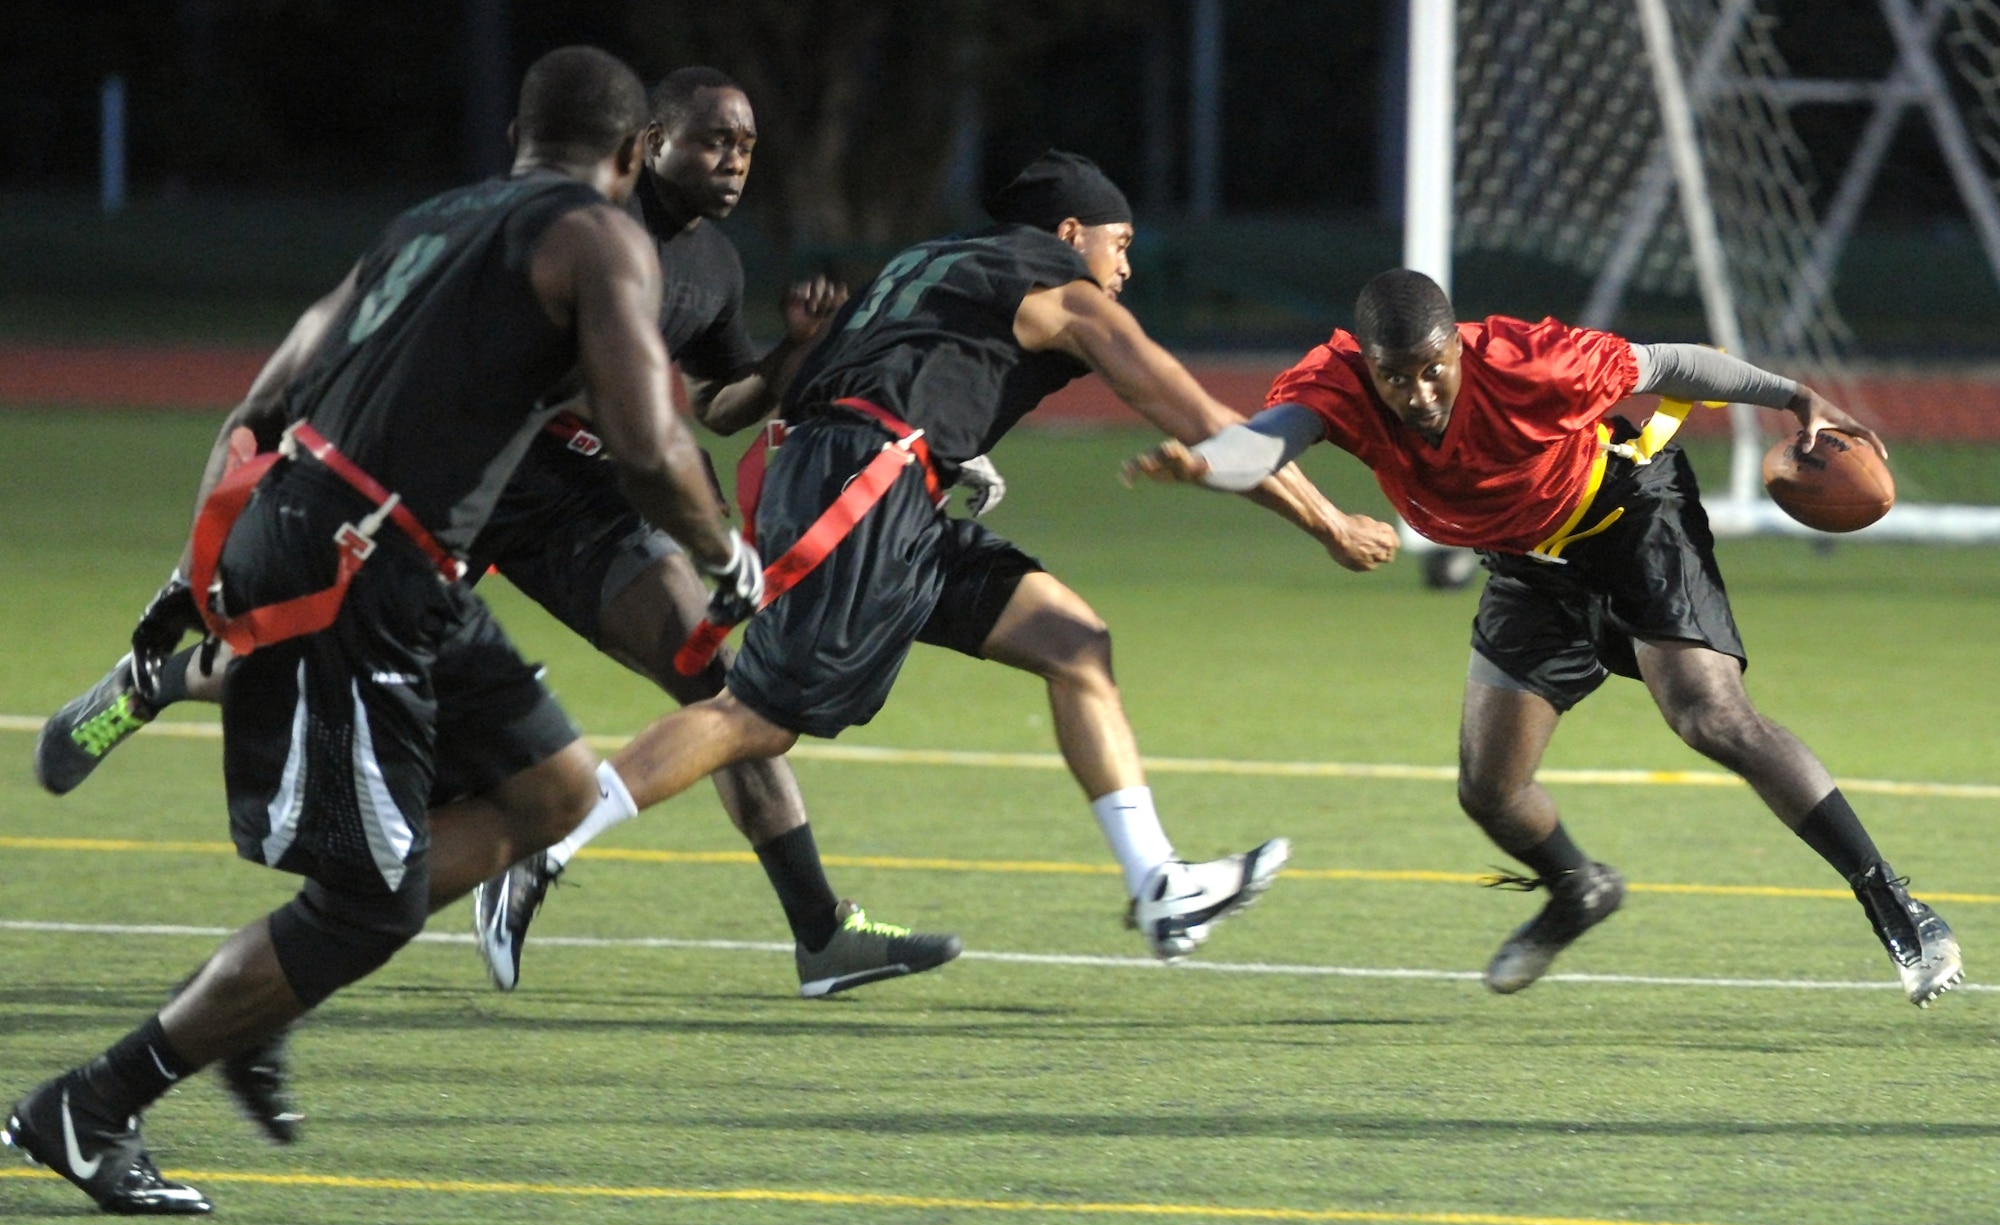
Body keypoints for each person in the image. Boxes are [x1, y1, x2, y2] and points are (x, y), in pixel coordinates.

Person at [3, 47, 758, 1215]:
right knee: (368, 905)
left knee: (554, 793)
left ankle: (255, 973)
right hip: (359, 572)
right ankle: (91, 1105)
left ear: (518, 134)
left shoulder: (431, 219)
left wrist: (192, 569)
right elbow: (652, 445)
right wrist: (723, 554)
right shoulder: (602, 237)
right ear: (626, 155)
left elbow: (264, 400)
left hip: (367, 555)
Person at [33, 67, 963, 1005]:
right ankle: (155, 683)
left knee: (720, 691)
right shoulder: (578, 225)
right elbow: (625, 420)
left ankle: (816, 931)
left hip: (583, 506)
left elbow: (714, 405)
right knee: (338, 668)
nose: (733, 161)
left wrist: (791, 358)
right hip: (465, 491)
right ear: (648, 143)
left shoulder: (713, 265)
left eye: (747, 146)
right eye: (713, 140)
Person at [488, 150, 1403, 974]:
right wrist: (1325, 522)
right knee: (756, 718)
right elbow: (1202, 421)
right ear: (1070, 233)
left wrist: (945, 448)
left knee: (1073, 642)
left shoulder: (932, 261)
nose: (1124, 266)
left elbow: (833, 384)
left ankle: (1157, 879)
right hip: (868, 490)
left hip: (877, 484)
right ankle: (547, 841)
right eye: (1118, 244)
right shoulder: (1060, 287)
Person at [1124, 267, 1964, 1006]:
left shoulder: (1532, 361)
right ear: (1366, 365)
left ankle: (1895, 903)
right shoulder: (1336, 384)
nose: (1417, 394)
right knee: (1489, 789)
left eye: (1432, 370)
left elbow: (1670, 363)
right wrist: (1211, 463)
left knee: (1709, 715)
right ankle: (1578, 889)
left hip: (1627, 517)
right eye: (1394, 377)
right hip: (1529, 564)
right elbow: (1272, 440)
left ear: (1458, 345)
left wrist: (1791, 394)